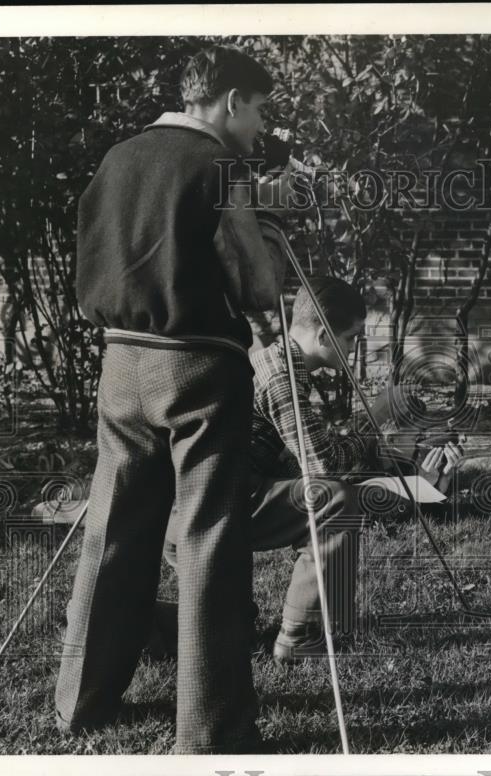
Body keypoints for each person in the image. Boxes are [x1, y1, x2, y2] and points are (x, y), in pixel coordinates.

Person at [55, 46, 278, 753]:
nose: (262, 126)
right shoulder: (218, 167)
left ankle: (79, 704)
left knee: (112, 531)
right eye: (261, 110)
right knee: (209, 535)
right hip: (198, 369)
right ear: (231, 101)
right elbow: (257, 290)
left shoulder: (119, 155)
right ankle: (210, 732)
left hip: (120, 363)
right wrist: (265, 240)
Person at [164, 276, 464, 662]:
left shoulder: (276, 362)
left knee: (231, 629)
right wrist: (377, 417)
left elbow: (304, 456)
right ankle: (301, 635)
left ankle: (131, 626)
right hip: (212, 510)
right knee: (335, 502)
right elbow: (323, 465)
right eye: (353, 337)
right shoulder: (283, 378)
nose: (355, 349)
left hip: (212, 502)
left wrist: (394, 462)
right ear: (325, 336)